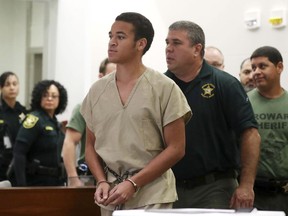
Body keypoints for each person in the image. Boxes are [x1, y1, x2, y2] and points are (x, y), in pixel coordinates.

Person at [80, 12, 191, 216]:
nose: (112, 42)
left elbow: (176, 148)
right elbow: (90, 145)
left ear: (140, 44)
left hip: (153, 194)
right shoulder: (97, 90)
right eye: (110, 36)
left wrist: (133, 182)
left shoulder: (165, 88)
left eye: (120, 37)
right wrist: (101, 180)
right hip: (111, 193)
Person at [165, 20, 261, 209]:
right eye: (167, 43)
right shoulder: (161, 86)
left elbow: (250, 135)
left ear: (196, 49)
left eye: (176, 43)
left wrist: (247, 185)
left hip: (214, 187)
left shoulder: (225, 84)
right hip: (168, 187)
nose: (168, 49)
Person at [62, 58, 116, 187]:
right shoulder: (85, 107)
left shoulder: (127, 107)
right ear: (100, 77)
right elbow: (70, 142)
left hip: (119, 174)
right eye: (111, 75)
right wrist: (73, 178)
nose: (115, 80)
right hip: (91, 175)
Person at [248, 46, 288, 214]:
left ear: (279, 67)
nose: (256, 72)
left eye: (262, 66)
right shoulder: (244, 102)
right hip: (253, 191)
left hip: (283, 191)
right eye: (253, 68)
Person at [13, 80, 68, 186]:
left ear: (60, 100)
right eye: (45, 95)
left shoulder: (56, 123)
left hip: (55, 181)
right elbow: (19, 153)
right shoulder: (34, 119)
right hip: (35, 181)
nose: (50, 98)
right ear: (39, 98)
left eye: (54, 96)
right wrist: (21, 187)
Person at [0, 71, 27, 186]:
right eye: (8, 84)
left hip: (19, 165)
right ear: (1, 88)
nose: (12, 87)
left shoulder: (23, 111)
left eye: (15, 84)